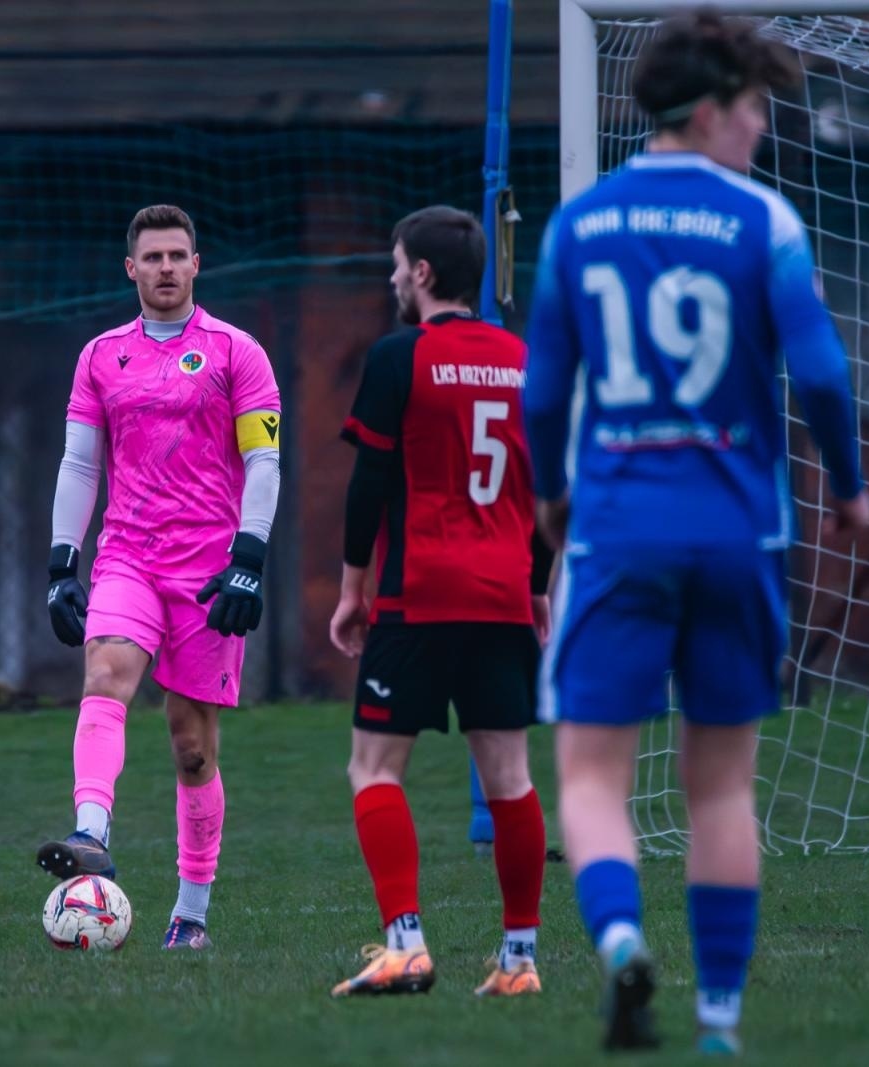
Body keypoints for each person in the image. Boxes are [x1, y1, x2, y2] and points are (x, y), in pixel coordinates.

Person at [523, 13, 869, 1054]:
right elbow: (821, 374)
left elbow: (543, 393)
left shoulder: (579, 224)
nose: (762, 128)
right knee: (720, 784)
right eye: (756, 107)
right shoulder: (765, 221)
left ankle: (622, 940)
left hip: (619, 530)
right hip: (738, 533)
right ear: (713, 110)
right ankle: (718, 1019)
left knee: (592, 776)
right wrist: (849, 486)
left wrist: (552, 496)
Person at [37, 204, 282, 952]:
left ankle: (191, 913)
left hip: (209, 572)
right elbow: (80, 463)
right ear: (131, 269)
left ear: (197, 264)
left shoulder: (238, 352)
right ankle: (91, 833)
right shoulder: (99, 357)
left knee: (191, 746)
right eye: (153, 257)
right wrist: (62, 560)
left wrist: (249, 558)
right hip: (128, 556)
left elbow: (263, 460)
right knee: (105, 672)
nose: (167, 267)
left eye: (178, 255)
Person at [328, 205, 554, 999]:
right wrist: (535, 586)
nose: (393, 277)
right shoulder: (524, 361)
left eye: (397, 264)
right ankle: (519, 960)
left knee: (373, 767)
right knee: (511, 778)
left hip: (419, 595)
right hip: (502, 596)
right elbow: (544, 492)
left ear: (422, 273)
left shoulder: (400, 357)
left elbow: (369, 481)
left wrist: (352, 588)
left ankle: (406, 946)